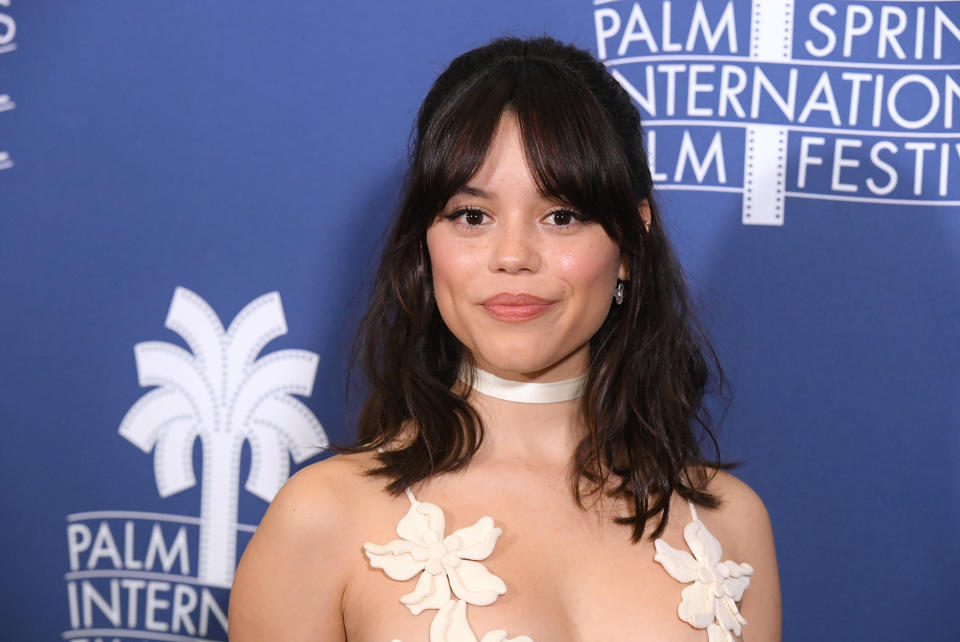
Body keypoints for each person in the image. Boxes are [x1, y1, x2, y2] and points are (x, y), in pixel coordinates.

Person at [228, 36, 781, 641]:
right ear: (425, 242)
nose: (513, 256)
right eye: (472, 216)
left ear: (631, 240)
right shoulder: (321, 520)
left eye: (561, 216)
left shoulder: (731, 523)